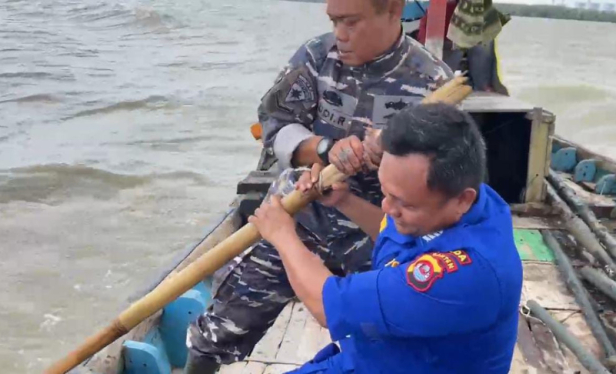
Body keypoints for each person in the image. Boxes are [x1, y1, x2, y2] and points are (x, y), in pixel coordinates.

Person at [184, 0, 453, 372]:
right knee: (218, 331)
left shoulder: (433, 83)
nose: (340, 34)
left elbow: (441, 190)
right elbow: (275, 125)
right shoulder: (316, 56)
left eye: (352, 22)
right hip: (300, 213)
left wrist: (394, 154)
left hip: (377, 232)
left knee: (392, 346)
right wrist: (324, 148)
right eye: (334, 21)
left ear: (393, 10)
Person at [249, 103, 524, 373]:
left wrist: (281, 235)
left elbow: (325, 305)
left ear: (462, 200)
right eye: (386, 193)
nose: (388, 209)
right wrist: (345, 201)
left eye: (405, 204)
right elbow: (390, 232)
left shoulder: (467, 273)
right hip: (376, 359)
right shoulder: (463, 202)